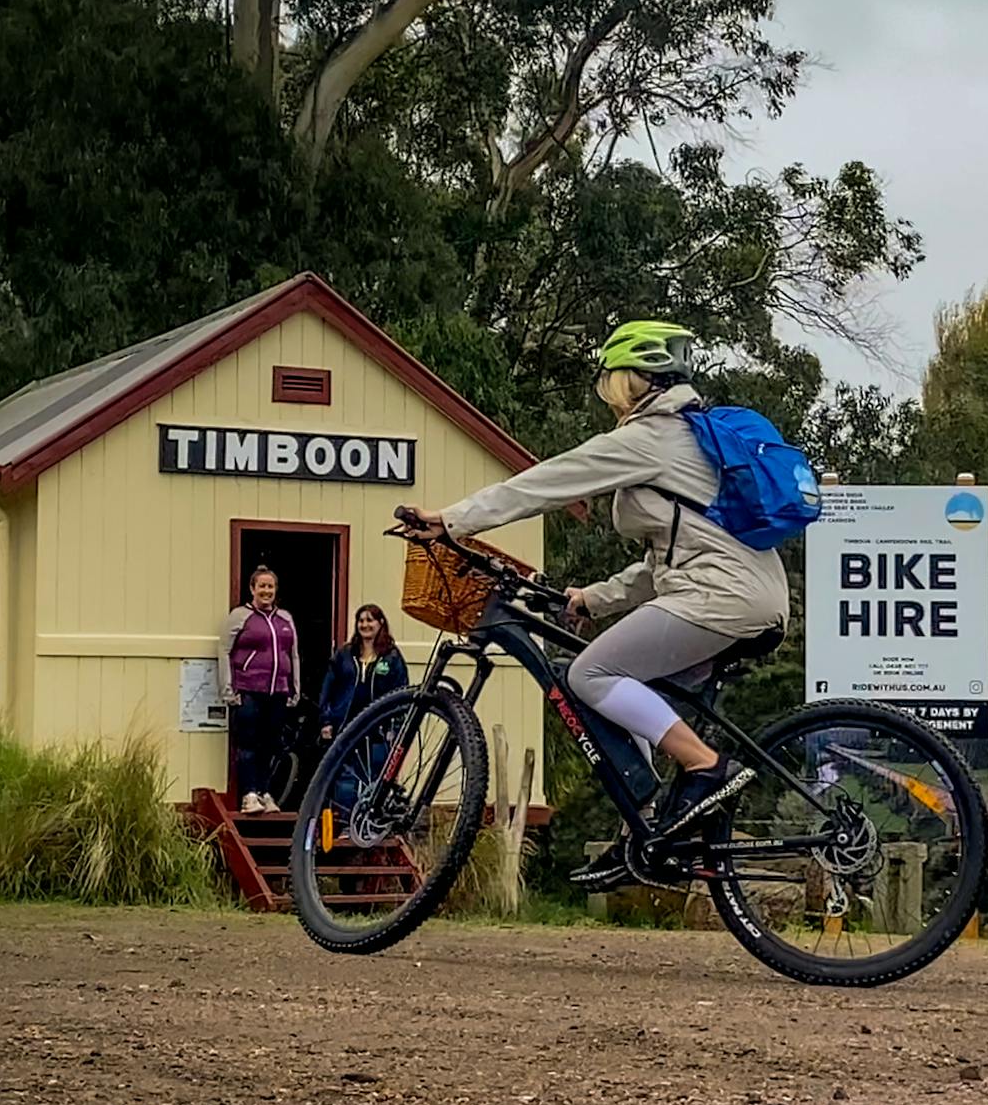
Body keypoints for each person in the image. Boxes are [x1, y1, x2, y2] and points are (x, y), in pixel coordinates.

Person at [401, 320, 789, 885]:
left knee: (590, 673)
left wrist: (454, 521)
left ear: (635, 380)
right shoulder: (690, 438)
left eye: (611, 381)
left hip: (719, 597)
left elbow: (549, 482)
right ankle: (649, 825)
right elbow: (671, 557)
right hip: (741, 594)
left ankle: (706, 764)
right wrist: (596, 598)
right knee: (624, 690)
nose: (608, 395)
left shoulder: (650, 438)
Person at [221, 566, 301, 814]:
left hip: (277, 690)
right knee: (248, 743)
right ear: (252, 589)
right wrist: (227, 689)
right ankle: (249, 794)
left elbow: (293, 655)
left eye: (270, 586)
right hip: (248, 689)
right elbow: (224, 651)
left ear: (276, 590)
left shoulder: (285, 618)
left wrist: (294, 688)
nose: (266, 591)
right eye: (262, 586)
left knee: (271, 744)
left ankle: (265, 793)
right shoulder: (240, 616)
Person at [318, 604, 409, 742]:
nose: (365, 625)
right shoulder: (344, 654)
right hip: (343, 729)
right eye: (361, 621)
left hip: (378, 732)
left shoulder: (392, 657)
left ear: (381, 623)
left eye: (370, 620)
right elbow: (327, 690)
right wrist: (326, 721)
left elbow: (402, 693)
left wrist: (395, 728)